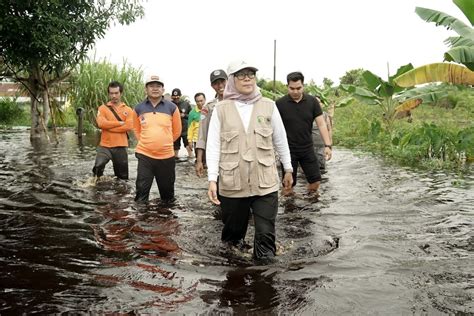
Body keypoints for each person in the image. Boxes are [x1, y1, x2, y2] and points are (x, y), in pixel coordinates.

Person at [206, 60, 293, 262]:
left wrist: (288, 168)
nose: (247, 78)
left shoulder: (269, 106)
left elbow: (280, 139)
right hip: (232, 183)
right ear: (232, 80)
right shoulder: (221, 109)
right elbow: (213, 146)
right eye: (241, 75)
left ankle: (264, 280)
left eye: (251, 74)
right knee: (232, 242)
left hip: (265, 183)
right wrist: (212, 179)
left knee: (265, 237)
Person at [276, 71, 332, 195]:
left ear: (303, 86)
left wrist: (327, 145)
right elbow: (273, 128)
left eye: (298, 88)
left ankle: (308, 205)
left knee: (315, 182)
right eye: (292, 88)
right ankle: (291, 209)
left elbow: (321, 124)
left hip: (307, 148)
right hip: (288, 150)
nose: (295, 92)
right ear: (287, 86)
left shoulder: (312, 102)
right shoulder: (280, 104)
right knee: (287, 185)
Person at [133, 75, 182, 203]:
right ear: (146, 89)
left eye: (158, 86)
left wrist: (164, 143)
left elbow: (177, 131)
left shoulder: (172, 108)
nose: (155, 89)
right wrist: (146, 142)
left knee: (167, 197)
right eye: (151, 86)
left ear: (163, 89)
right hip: (145, 156)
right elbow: (136, 130)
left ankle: (166, 221)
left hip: (166, 157)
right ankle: (141, 221)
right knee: (141, 195)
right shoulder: (138, 108)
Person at [93, 81, 134, 180]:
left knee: (122, 178)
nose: (114, 96)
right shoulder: (103, 108)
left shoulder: (128, 110)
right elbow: (101, 124)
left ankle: (120, 193)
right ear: (108, 94)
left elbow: (129, 126)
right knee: (98, 166)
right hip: (105, 146)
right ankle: (96, 186)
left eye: (116, 93)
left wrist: (108, 127)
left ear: (121, 93)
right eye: (111, 93)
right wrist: (119, 123)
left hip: (121, 146)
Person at [195, 69, 228, 177]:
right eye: (216, 83)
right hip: (216, 153)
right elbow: (202, 134)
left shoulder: (239, 103)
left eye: (222, 81)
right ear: (212, 86)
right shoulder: (208, 107)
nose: (220, 85)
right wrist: (199, 160)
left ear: (228, 81)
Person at [312, 97, 333, 173]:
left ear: (322, 104)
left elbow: (329, 129)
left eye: (319, 102)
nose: (317, 104)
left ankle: (323, 184)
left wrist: (329, 144)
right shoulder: (307, 114)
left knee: (321, 169)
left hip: (322, 145)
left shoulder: (325, 115)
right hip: (309, 146)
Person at [171, 88, 193, 158]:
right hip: (174, 129)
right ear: (172, 97)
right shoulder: (170, 105)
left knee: (188, 145)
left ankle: (191, 158)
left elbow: (192, 115)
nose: (176, 99)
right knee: (175, 147)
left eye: (177, 97)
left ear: (180, 96)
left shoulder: (186, 104)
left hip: (185, 129)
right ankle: (176, 159)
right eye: (174, 97)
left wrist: (184, 115)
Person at [187, 92, 206, 157]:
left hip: (207, 139)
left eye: (201, 101)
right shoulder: (192, 113)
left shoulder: (209, 110)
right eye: (197, 101)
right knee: (199, 158)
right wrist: (190, 141)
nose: (200, 103)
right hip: (196, 140)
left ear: (205, 100)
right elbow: (190, 128)